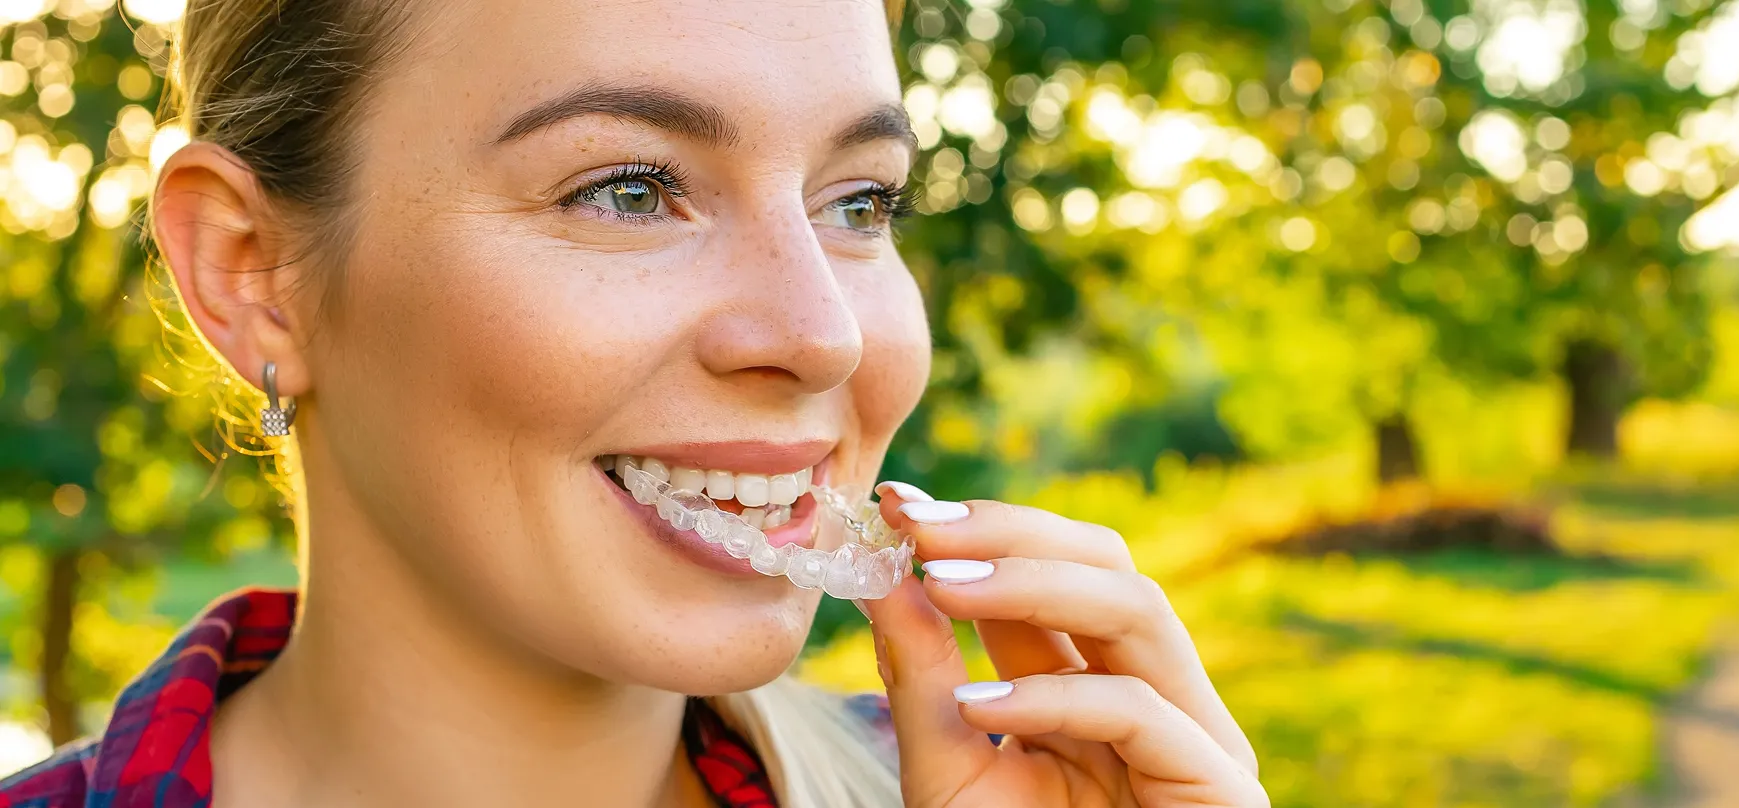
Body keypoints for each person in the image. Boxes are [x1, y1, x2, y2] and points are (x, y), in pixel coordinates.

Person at [0, 0, 1263, 805]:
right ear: (252, 274)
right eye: (628, 187)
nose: (821, 333)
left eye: (860, 202)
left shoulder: (1005, 789)